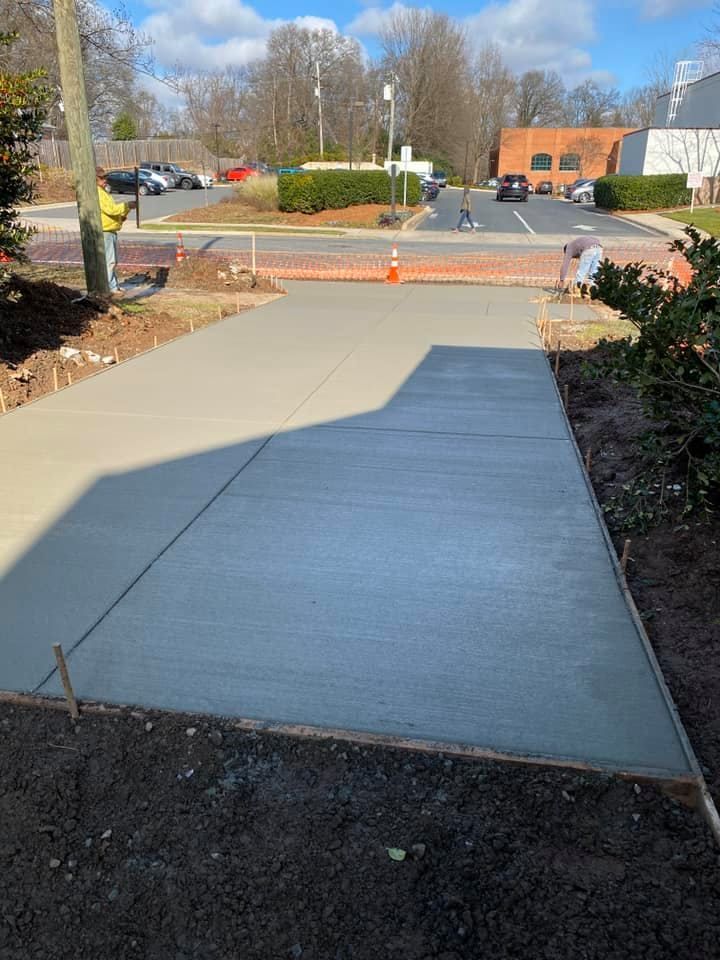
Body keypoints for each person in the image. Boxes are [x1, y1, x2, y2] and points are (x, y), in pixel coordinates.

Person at [95, 166, 135, 297]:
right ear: (94, 179)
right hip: (105, 231)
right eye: (101, 178)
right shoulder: (98, 193)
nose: (105, 180)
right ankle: (110, 287)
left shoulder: (103, 192)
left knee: (111, 260)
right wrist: (126, 205)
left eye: (105, 177)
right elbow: (111, 210)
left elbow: (112, 211)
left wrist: (124, 213)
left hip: (110, 230)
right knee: (109, 261)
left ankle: (113, 285)